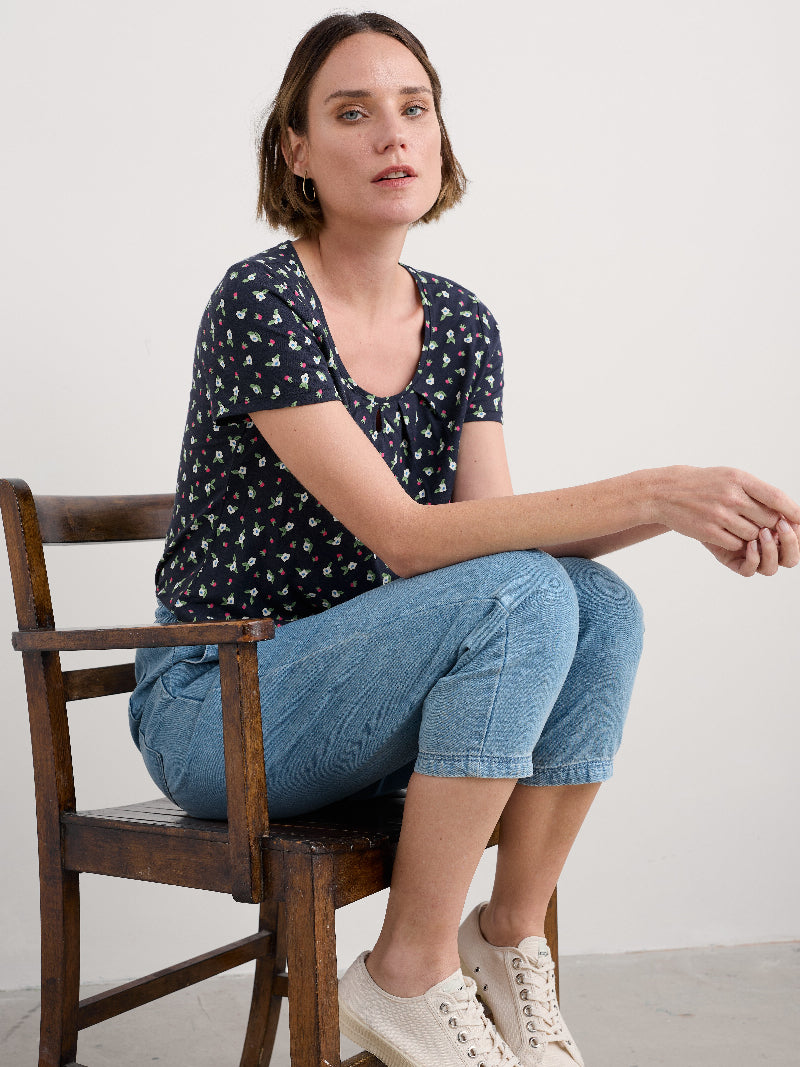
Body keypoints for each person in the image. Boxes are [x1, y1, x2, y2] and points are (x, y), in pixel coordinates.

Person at [128, 12, 800, 1067]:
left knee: (591, 600)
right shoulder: (260, 301)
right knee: (526, 594)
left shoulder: (460, 322)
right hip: (223, 706)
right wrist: (655, 485)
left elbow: (493, 540)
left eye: (412, 108)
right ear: (295, 152)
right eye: (349, 112)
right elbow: (406, 538)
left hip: (364, 695)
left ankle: (503, 935)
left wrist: (672, 515)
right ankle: (405, 969)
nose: (390, 133)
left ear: (438, 139)